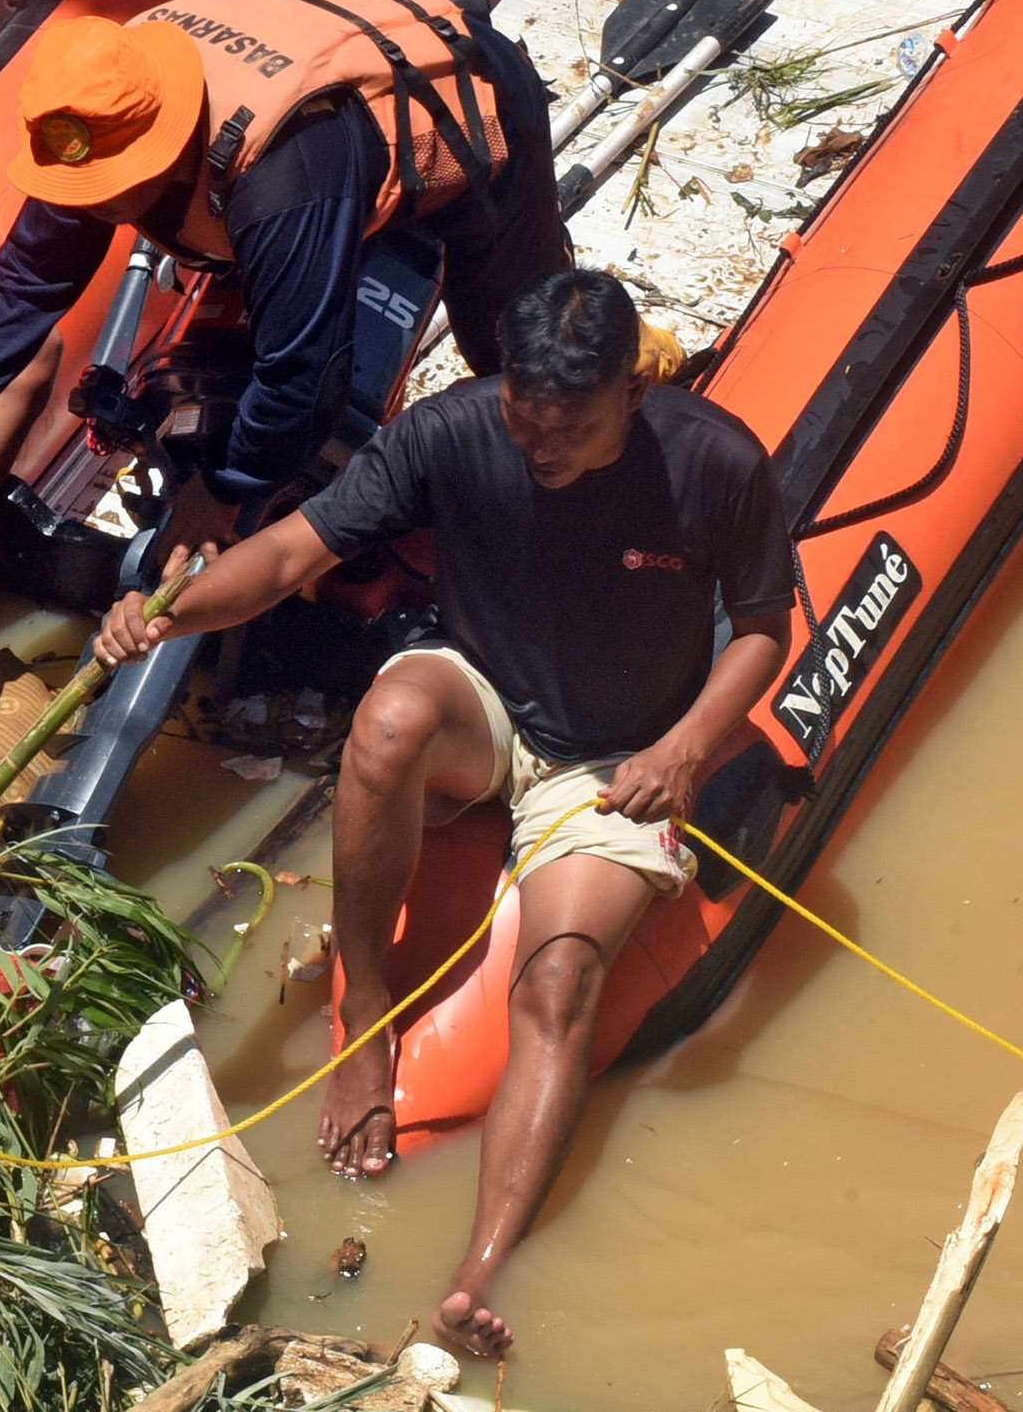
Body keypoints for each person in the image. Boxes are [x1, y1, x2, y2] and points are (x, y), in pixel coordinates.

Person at [92, 268, 794, 1355]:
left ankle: (477, 1272)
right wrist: (168, 611)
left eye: (575, 425)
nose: (543, 446)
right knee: (382, 724)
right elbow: (290, 554)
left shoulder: (715, 462)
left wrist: (685, 748)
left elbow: (759, 627)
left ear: (632, 397)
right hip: (485, 704)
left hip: (614, 759)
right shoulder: (451, 432)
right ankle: (364, 1028)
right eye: (526, 416)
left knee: (558, 978)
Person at [0, 0, 566, 589]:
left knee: (520, 354)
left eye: (109, 188)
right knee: (282, 285)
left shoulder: (283, 173)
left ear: (163, 145)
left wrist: (226, 487)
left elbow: (304, 375)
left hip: (458, 91)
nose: (93, 206)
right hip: (334, 65)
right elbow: (28, 276)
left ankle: (556, 498)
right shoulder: (98, 104)